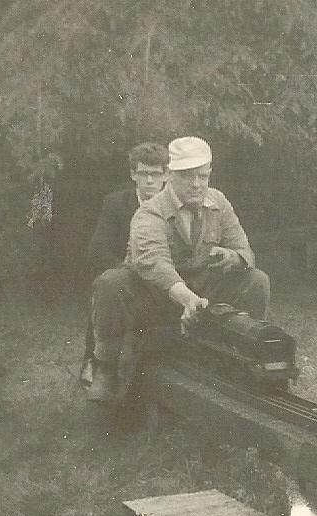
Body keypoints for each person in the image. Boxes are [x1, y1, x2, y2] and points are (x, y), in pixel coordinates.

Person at [87, 136, 270, 402]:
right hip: (154, 296)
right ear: (171, 176)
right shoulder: (150, 213)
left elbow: (245, 250)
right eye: (187, 177)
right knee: (111, 282)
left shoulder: (219, 203)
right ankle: (105, 366)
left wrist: (233, 257)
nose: (197, 184)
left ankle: (247, 354)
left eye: (202, 176)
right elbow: (154, 263)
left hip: (203, 290)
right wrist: (190, 301)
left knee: (257, 280)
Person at [79, 142, 169, 385]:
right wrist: (128, 269)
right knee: (107, 286)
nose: (149, 181)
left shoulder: (174, 206)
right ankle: (94, 360)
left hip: (166, 280)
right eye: (143, 174)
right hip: (128, 274)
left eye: (156, 174)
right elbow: (97, 251)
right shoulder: (116, 204)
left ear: (166, 175)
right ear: (133, 174)